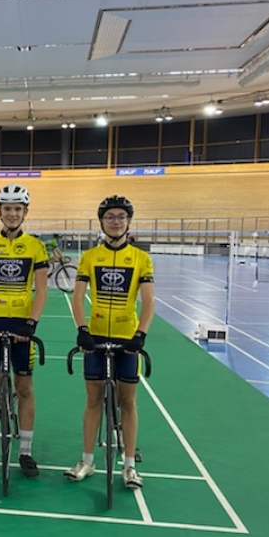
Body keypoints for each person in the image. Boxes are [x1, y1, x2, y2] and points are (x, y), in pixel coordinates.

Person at [65, 196, 155, 490]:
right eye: (109, 216)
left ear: (128, 221)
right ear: (101, 222)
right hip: (96, 336)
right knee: (93, 401)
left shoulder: (142, 259)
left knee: (128, 402)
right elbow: (77, 297)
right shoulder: (90, 257)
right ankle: (87, 461)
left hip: (127, 339)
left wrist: (140, 334)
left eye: (120, 216)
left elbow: (149, 302)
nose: (115, 221)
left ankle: (129, 465)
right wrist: (82, 330)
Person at [0, 184, 48, 478]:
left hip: (22, 326)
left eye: (17, 208)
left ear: (25, 212)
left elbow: (41, 289)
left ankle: (25, 451)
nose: (12, 213)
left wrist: (32, 322)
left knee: (24, 388)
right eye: (7, 208)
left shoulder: (36, 246)